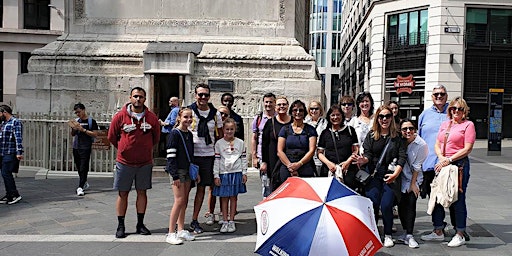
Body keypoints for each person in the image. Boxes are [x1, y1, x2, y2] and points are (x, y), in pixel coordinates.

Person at [421, 97, 476, 247]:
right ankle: (438, 230)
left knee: (457, 197)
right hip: (443, 162)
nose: (456, 111)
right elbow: (437, 143)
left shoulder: (468, 125)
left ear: (464, 111)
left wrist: (449, 159)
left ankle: (460, 233)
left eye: (459, 109)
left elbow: (467, 148)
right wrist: (441, 158)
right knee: (438, 196)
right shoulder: (446, 124)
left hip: (459, 164)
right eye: (453, 108)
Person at [107, 87, 161, 239]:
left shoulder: (151, 118)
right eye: (135, 96)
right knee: (122, 193)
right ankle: (121, 224)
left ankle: (140, 223)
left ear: (145, 99)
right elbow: (111, 136)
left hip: (144, 162)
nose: (138, 99)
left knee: (142, 192)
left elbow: (156, 137)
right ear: (130, 97)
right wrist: (123, 148)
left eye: (141, 97)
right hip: (125, 162)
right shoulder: (120, 116)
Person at [355, 105, 407, 248]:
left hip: (390, 176)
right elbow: (367, 154)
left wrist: (396, 174)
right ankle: (373, 232)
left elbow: (402, 156)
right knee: (372, 204)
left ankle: (388, 234)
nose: (384, 119)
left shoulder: (397, 137)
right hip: (373, 176)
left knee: (386, 205)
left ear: (392, 117)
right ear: (377, 118)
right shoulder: (372, 135)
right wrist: (363, 160)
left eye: (387, 116)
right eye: (381, 116)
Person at [188, 83, 223, 233]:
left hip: (208, 156)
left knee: (201, 189)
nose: (203, 97)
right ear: (195, 95)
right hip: (191, 156)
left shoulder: (216, 114)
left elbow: (220, 135)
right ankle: (179, 221)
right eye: (200, 94)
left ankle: (195, 219)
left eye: (206, 95)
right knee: (184, 191)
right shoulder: (189, 111)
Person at [165, 108, 196, 245]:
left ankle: (181, 229)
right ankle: (171, 232)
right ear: (179, 117)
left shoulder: (188, 133)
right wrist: (174, 175)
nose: (188, 120)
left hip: (187, 170)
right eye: (185, 117)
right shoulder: (174, 134)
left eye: (190, 117)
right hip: (177, 171)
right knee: (178, 201)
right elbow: (170, 156)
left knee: (184, 201)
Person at [396, 119, 428, 248]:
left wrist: (413, 184)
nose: (408, 131)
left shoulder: (421, 144)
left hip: (413, 179)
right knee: (401, 206)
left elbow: (417, 166)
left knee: (410, 204)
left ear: (415, 130)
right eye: (405, 129)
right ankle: (404, 232)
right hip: (399, 177)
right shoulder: (399, 141)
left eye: (411, 128)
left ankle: (409, 234)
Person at [213, 118, 248, 233]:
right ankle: (225, 220)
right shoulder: (219, 143)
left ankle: (232, 220)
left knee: (233, 198)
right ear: (223, 129)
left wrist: (244, 172)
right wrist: (216, 175)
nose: (229, 131)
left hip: (236, 171)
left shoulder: (240, 142)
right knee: (224, 198)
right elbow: (217, 160)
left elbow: (243, 158)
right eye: (227, 129)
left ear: (235, 129)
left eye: (231, 129)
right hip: (224, 172)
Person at [418, 85, 449, 198]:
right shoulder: (424, 115)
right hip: (429, 165)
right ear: (432, 97)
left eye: (442, 94)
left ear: (447, 96)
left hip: (447, 164)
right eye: (436, 94)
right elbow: (419, 140)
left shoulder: (453, 113)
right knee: (433, 200)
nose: (439, 96)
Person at [276, 100, 317, 185]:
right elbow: (280, 151)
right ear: (291, 112)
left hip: (305, 166)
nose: (298, 112)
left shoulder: (310, 130)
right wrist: (290, 166)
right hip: (287, 166)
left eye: (301, 110)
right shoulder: (285, 129)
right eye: (295, 110)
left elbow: (312, 150)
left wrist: (299, 164)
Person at [317, 105, 359, 187]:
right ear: (329, 117)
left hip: (348, 170)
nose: (335, 117)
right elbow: (319, 153)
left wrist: (348, 162)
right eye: (333, 115)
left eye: (338, 115)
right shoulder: (325, 133)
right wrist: (329, 164)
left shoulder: (350, 130)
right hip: (329, 170)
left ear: (342, 116)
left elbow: (356, 149)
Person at [261, 96, 291, 192]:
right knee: (275, 187)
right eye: (279, 104)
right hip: (273, 159)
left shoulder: (293, 121)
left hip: (290, 158)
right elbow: (264, 144)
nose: (281, 106)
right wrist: (264, 162)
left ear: (288, 106)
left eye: (284, 104)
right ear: (275, 106)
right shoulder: (270, 123)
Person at [69, 103, 98, 196]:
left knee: (83, 167)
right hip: (76, 146)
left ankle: (80, 186)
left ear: (83, 110)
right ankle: (84, 182)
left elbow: (95, 134)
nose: (78, 114)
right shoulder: (77, 121)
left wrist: (83, 130)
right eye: (76, 113)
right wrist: (74, 128)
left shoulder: (91, 121)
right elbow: (73, 134)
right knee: (78, 167)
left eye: (79, 112)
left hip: (85, 147)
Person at [251, 93, 276, 197]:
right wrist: (254, 157)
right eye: (266, 102)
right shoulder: (258, 119)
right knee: (265, 184)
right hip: (262, 156)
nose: (268, 104)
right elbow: (254, 138)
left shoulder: (279, 117)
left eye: (271, 102)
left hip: (276, 155)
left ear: (275, 103)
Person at [0, 105, 24, 205]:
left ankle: (14, 194)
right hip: (2, 151)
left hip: (10, 152)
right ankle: (9, 194)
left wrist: (19, 152)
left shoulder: (15, 122)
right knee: (4, 174)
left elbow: (18, 137)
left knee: (6, 173)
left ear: (4, 112)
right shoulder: (3, 123)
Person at [305, 100, 327, 176]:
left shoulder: (325, 123)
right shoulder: (305, 123)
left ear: (320, 110)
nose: (314, 111)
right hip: (308, 156)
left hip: (321, 156)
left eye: (316, 108)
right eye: (311, 109)